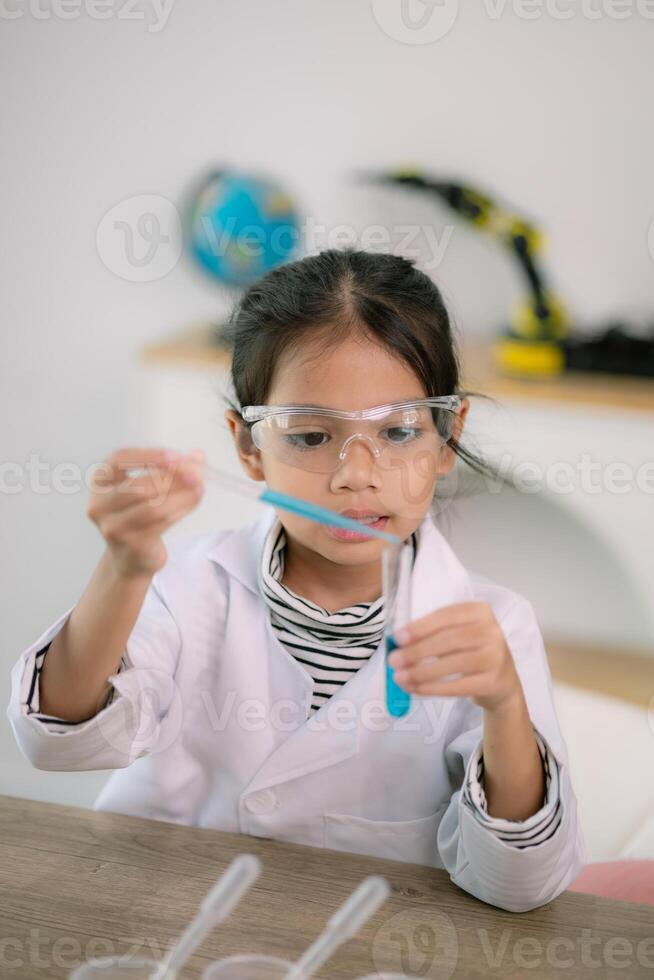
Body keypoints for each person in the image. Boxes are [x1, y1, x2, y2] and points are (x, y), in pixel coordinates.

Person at [7, 248, 585, 912]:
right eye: (311, 437)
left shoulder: (493, 625)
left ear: (448, 437)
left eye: (398, 431)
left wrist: (505, 705)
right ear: (248, 446)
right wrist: (125, 566)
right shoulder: (189, 584)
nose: (355, 474)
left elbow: (520, 885)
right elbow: (59, 739)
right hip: (159, 923)